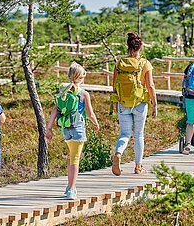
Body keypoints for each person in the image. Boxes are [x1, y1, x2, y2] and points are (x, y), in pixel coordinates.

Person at [46, 62, 100, 199]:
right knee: (75, 160)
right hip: (78, 129)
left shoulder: (63, 92)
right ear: (81, 77)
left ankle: (70, 186)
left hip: (66, 130)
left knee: (71, 158)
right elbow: (90, 113)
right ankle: (71, 189)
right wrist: (96, 124)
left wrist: (49, 128)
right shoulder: (83, 94)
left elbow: (55, 111)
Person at [111, 32, 157, 176]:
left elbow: (114, 84)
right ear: (140, 47)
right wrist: (154, 104)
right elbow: (150, 85)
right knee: (138, 134)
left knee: (124, 133)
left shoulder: (119, 63)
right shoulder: (145, 63)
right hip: (140, 103)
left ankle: (118, 153)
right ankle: (138, 166)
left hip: (123, 102)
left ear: (128, 46)